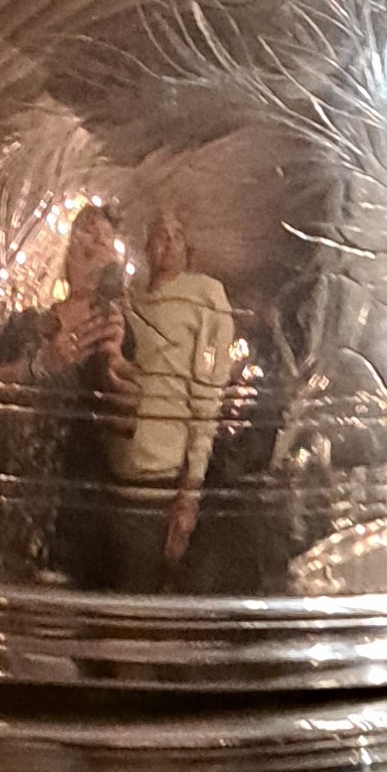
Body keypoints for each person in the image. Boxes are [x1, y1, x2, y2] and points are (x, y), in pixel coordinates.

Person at [0, 204, 130, 579]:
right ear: (68, 249)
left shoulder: (117, 334)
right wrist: (39, 366)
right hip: (1, 504)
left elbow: (125, 426)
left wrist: (116, 361)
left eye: (104, 239)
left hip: (68, 525)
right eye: (85, 234)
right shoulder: (27, 324)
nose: (93, 244)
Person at [113, 206, 235, 575]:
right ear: (146, 245)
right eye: (159, 234)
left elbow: (208, 392)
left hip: (161, 477)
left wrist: (190, 489)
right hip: (110, 470)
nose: (167, 243)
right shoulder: (128, 300)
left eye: (177, 235)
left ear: (187, 247)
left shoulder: (205, 296)